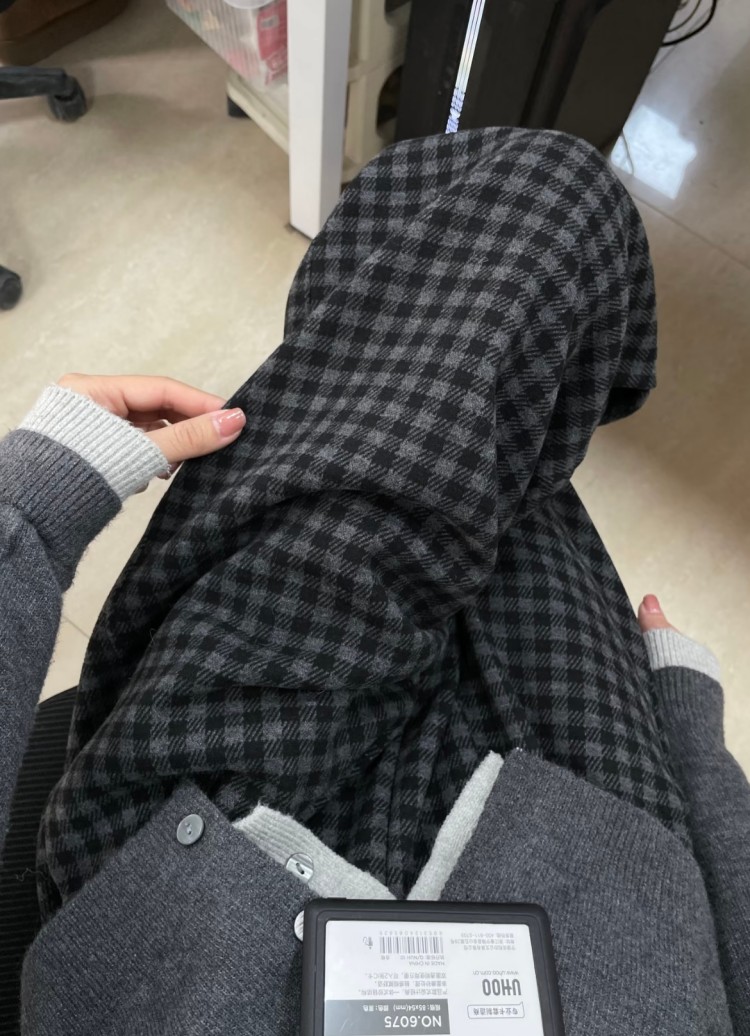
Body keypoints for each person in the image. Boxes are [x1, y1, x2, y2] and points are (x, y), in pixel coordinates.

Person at [1, 128, 749, 1036]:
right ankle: (448, 344)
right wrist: (695, 752)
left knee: (535, 211)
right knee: (540, 229)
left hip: (187, 908)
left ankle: (378, 331)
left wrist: (31, 509)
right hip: (612, 898)